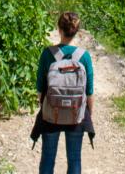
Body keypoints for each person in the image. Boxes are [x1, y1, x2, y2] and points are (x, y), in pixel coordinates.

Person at [35, 12, 94, 174]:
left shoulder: (48, 54)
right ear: (76, 32)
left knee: (47, 157)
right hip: (75, 116)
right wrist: (88, 114)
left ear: (59, 29)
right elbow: (89, 93)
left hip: (50, 115)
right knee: (74, 158)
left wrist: (46, 107)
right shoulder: (84, 57)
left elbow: (40, 89)